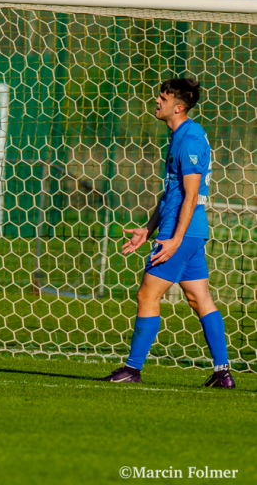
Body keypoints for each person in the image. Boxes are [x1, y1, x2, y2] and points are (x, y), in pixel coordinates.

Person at [98, 78, 234, 388]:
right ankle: (222, 373)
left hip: (181, 231)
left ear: (179, 106)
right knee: (199, 298)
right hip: (187, 231)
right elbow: (172, 192)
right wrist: (148, 228)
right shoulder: (180, 136)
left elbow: (190, 194)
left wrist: (173, 238)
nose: (156, 101)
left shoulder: (189, 140)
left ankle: (132, 369)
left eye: (162, 97)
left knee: (147, 294)